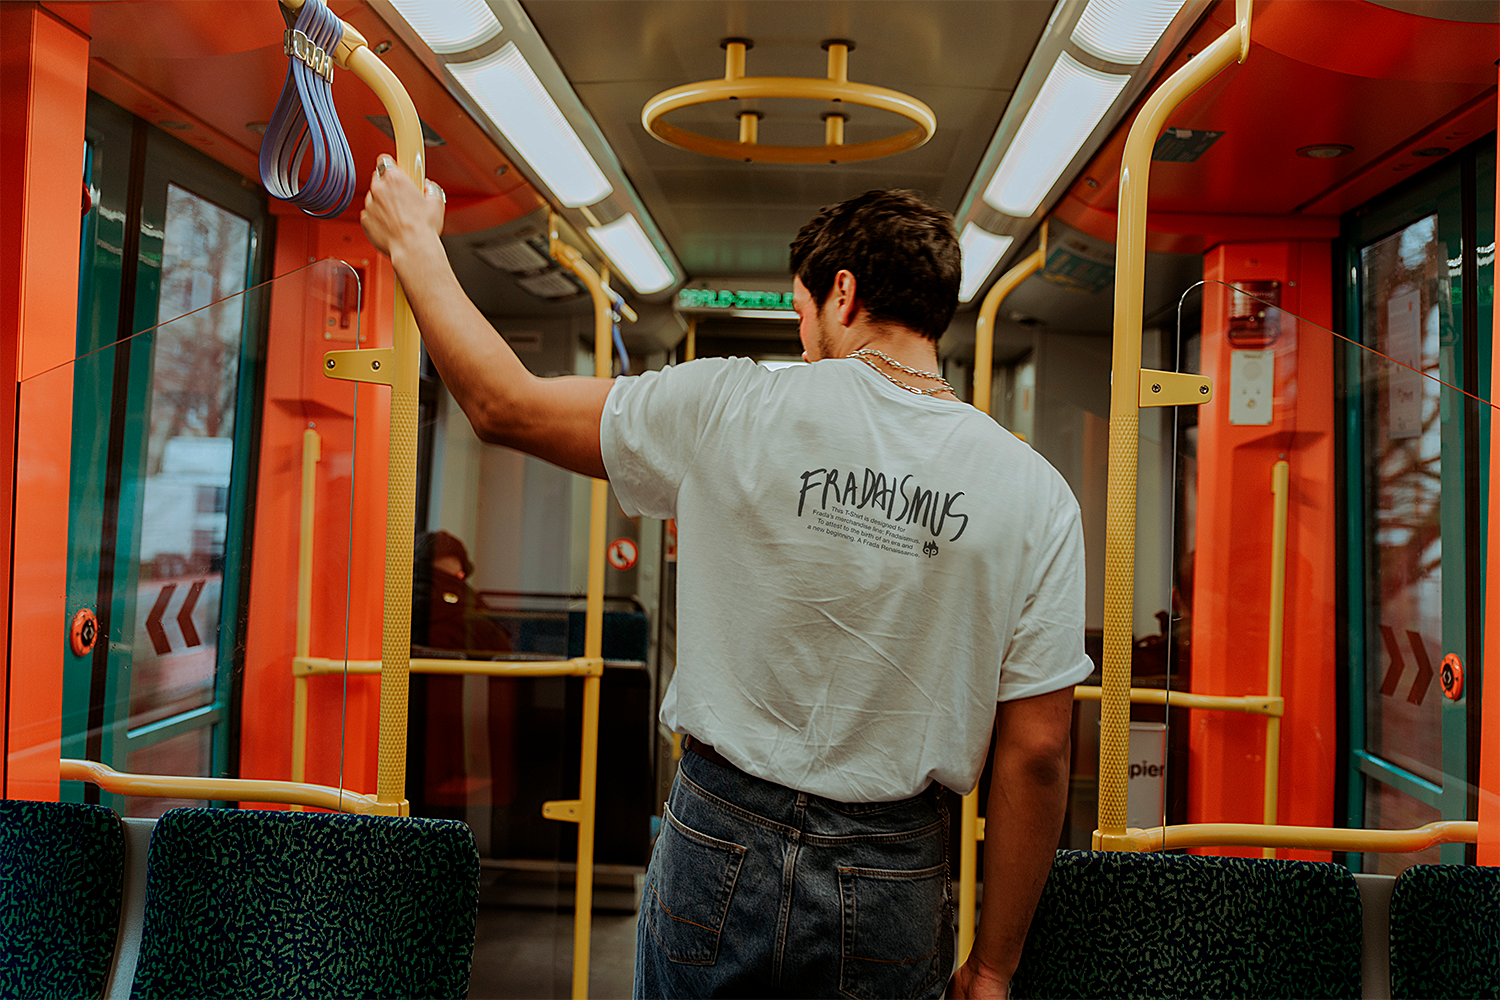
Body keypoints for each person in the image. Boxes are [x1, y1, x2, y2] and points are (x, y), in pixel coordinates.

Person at [362, 163, 1091, 1000]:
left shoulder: (727, 404)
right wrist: (993, 967)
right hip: (893, 866)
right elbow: (1039, 753)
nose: (804, 341)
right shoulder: (1035, 494)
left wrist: (415, 242)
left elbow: (503, 405)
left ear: (843, 291)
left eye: (802, 312)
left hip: (719, 835)